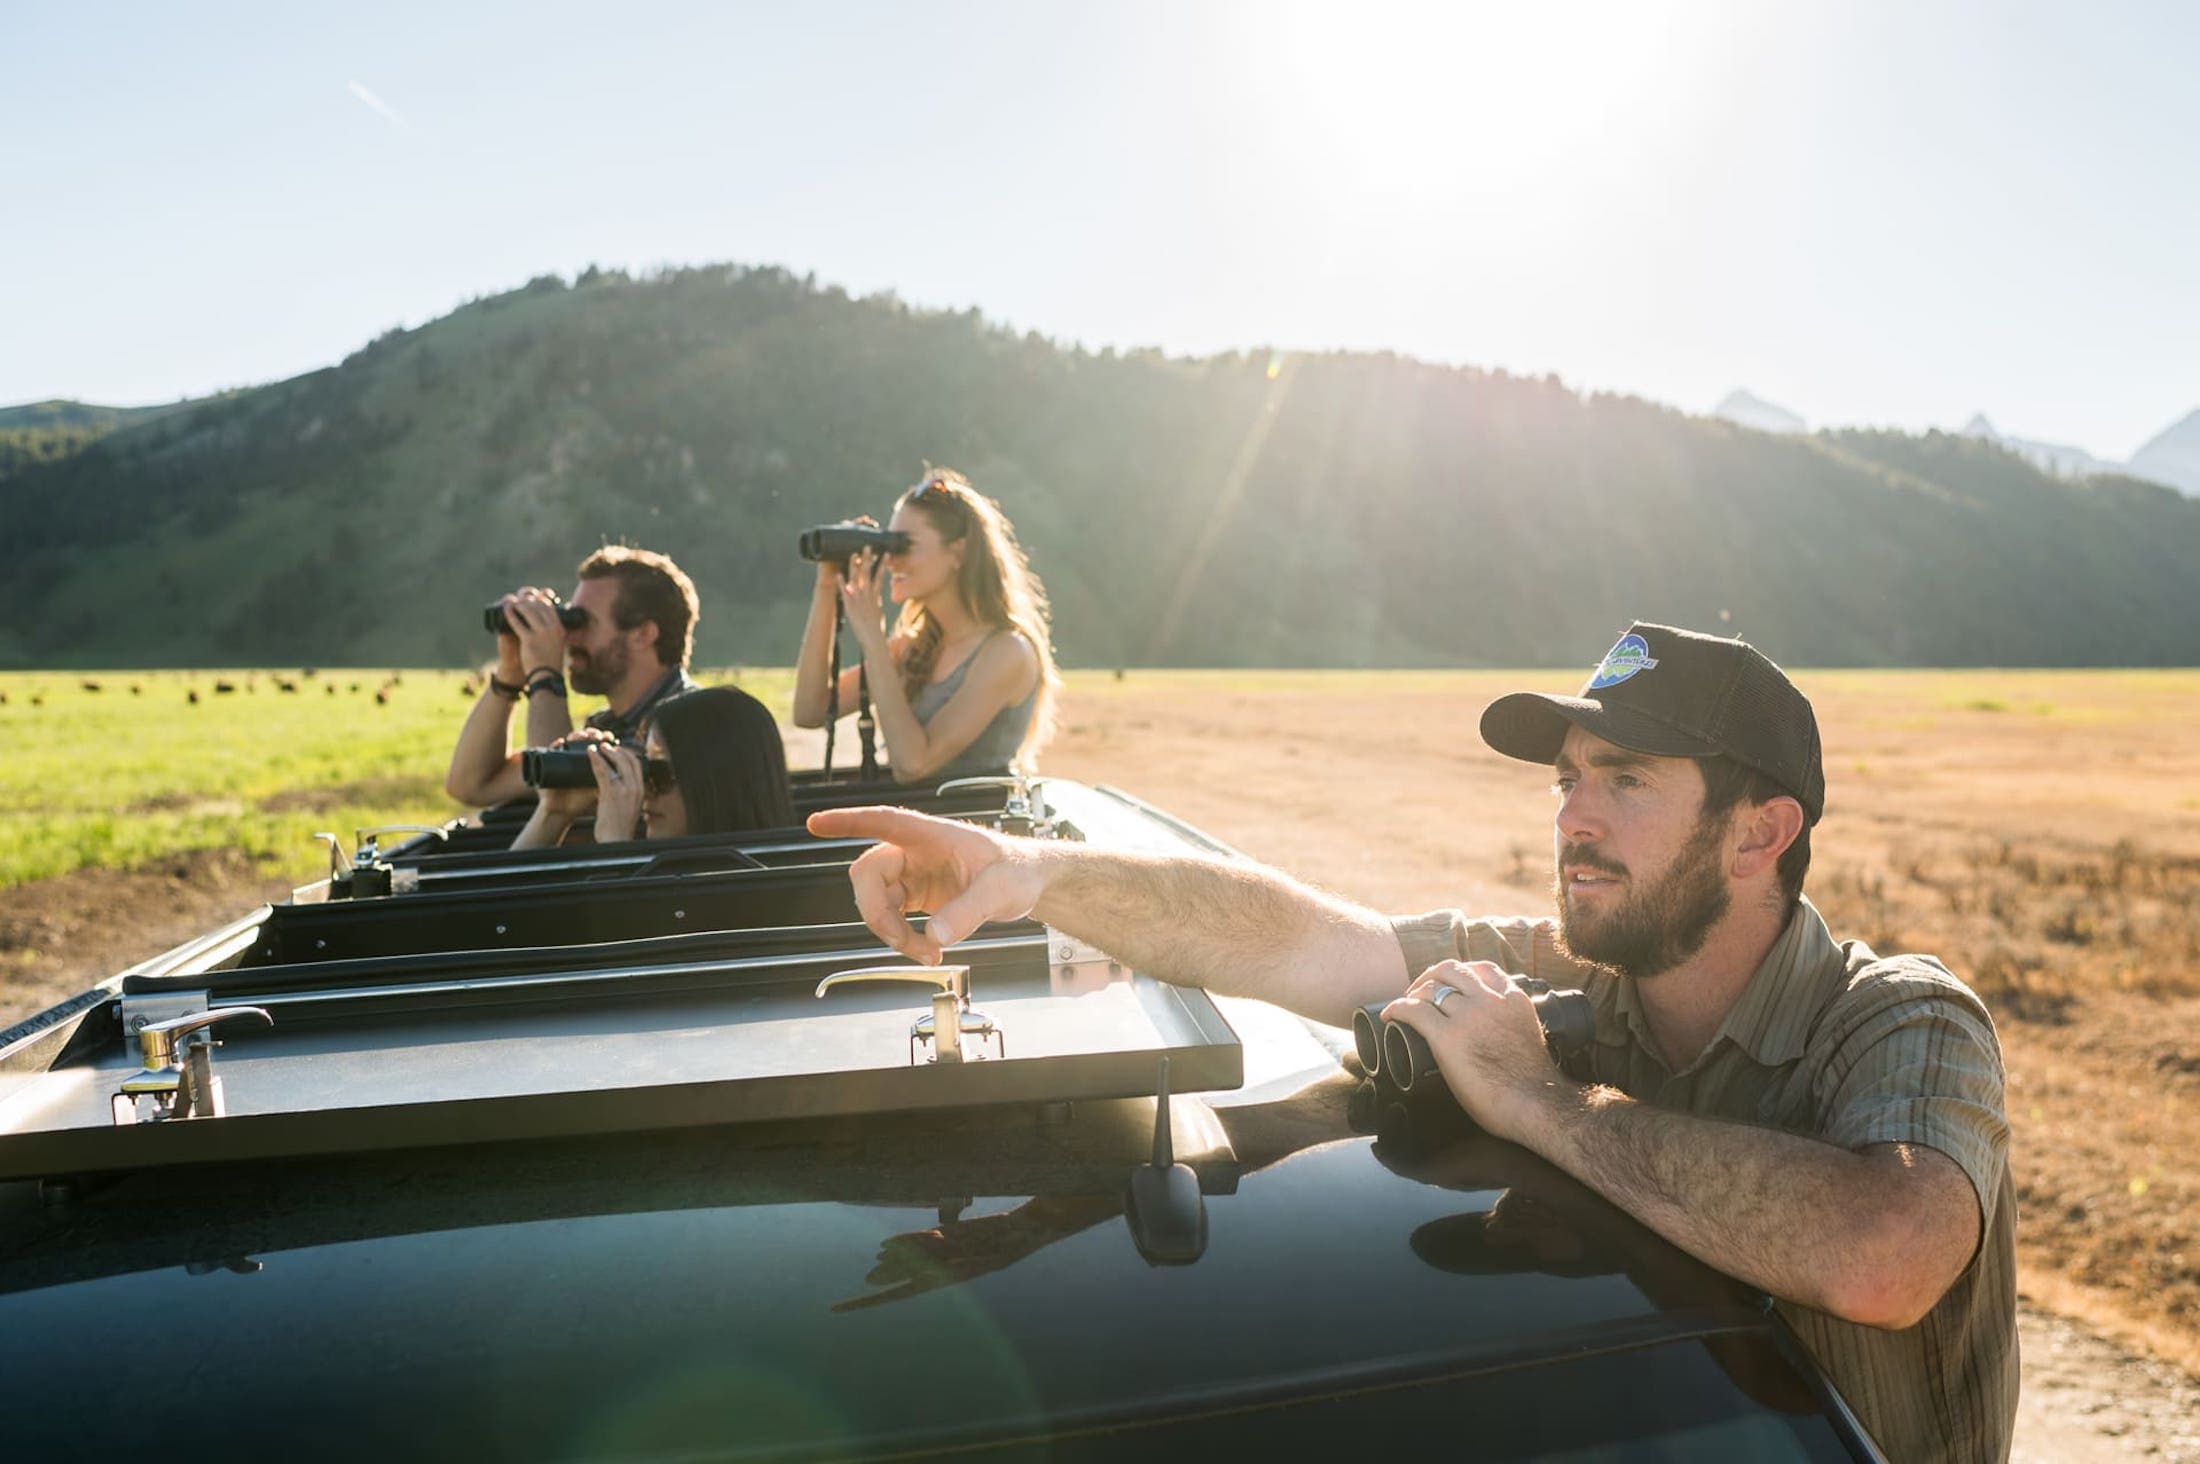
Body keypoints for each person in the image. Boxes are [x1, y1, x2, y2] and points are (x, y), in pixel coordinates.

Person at [809, 622, 2017, 1464]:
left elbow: (1884, 1255)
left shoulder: (1897, 1018)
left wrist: (1537, 1101)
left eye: (1627, 781)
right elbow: (1290, 941)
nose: (1572, 819)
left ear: (1761, 834)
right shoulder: (1570, 961)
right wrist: (1035, 874)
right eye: (1566, 779)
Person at [791, 469, 1058, 783]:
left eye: (904, 545)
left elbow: (913, 765)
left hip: (973, 822)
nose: (890, 560)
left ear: (958, 551)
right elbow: (810, 712)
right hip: (915, 823)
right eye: (889, 545)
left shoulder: (1007, 652)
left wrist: (873, 638)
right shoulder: (914, 648)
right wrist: (826, 589)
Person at [446, 546, 701, 809]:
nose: (568, 636)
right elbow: (471, 785)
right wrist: (510, 674)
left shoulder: (690, 726)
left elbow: (559, 794)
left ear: (643, 634)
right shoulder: (607, 728)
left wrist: (545, 675)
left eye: (582, 622)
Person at [512, 686, 795, 848]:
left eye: (660, 772)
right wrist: (554, 813)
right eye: (645, 766)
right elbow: (501, 924)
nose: (646, 790)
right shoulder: (661, 866)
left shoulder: (756, 883)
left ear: (720, 780)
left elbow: (614, 941)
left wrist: (615, 845)